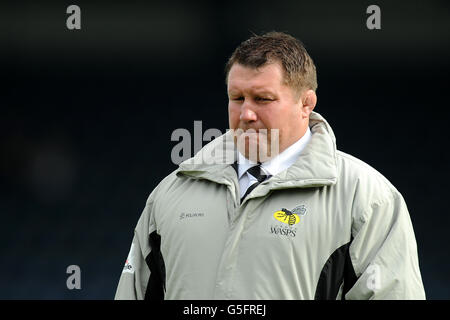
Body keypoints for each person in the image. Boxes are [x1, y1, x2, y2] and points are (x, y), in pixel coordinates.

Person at [114, 31, 425, 300]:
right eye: (237, 98)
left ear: (307, 104)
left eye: (262, 99)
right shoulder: (169, 194)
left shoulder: (368, 199)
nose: (246, 114)